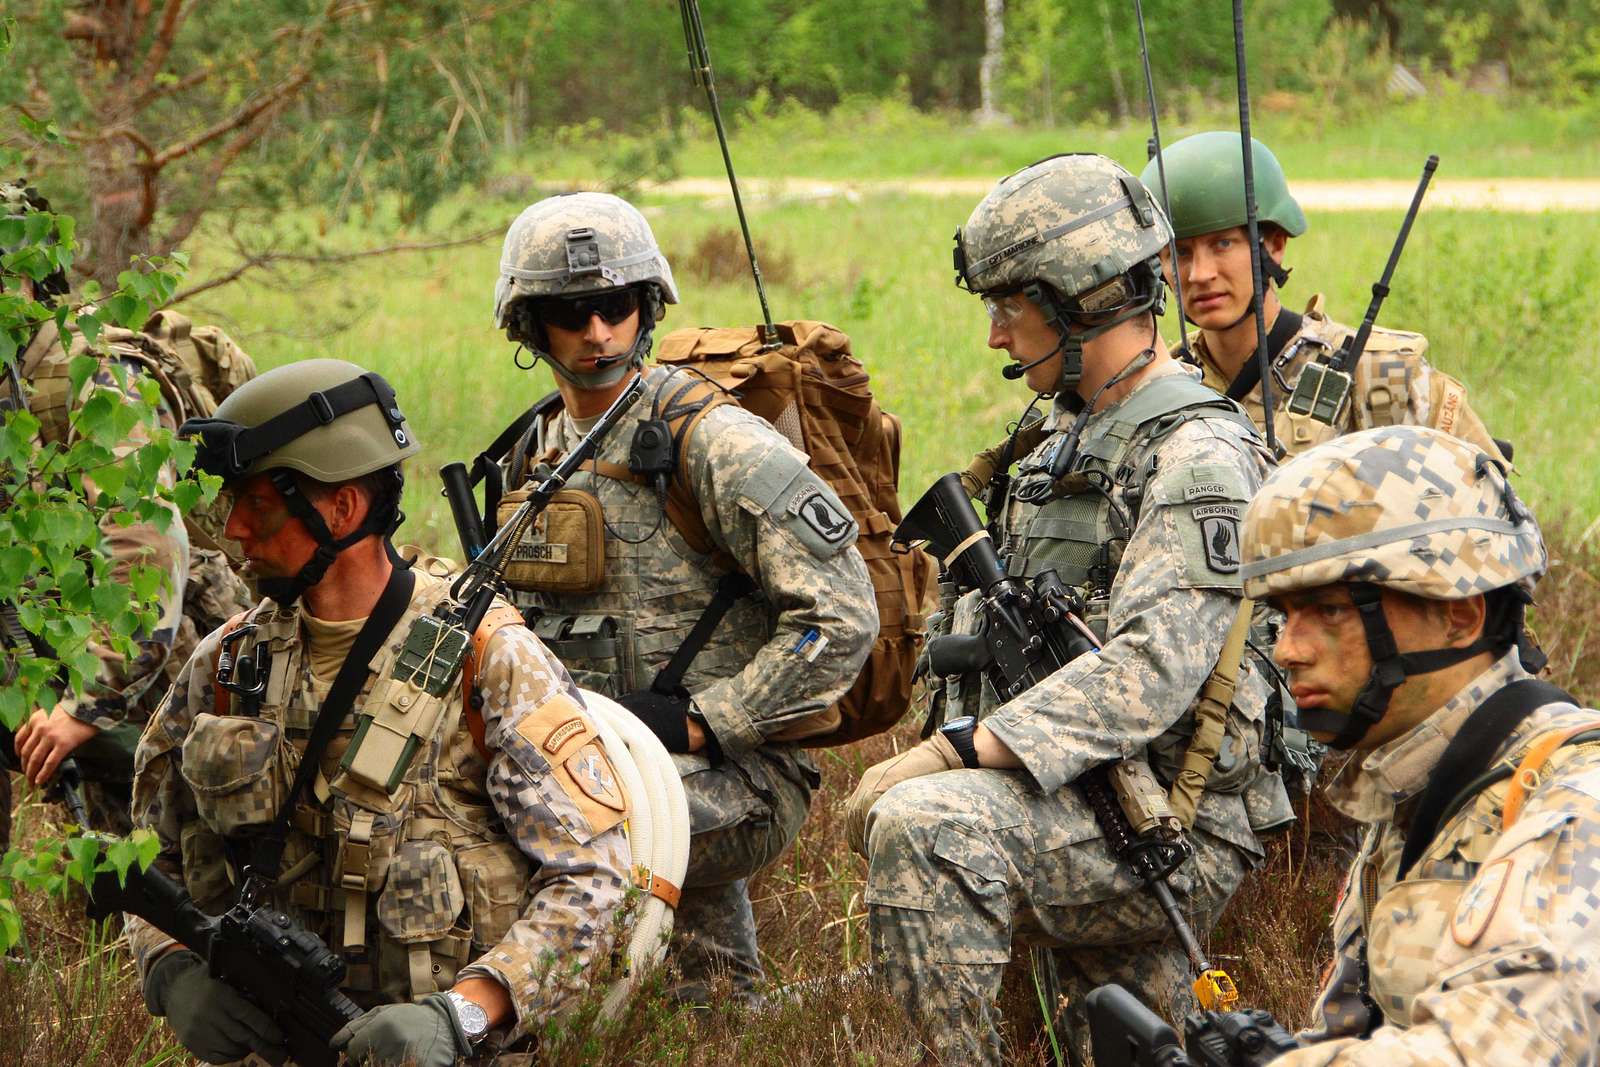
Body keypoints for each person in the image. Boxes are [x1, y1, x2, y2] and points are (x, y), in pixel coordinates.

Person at [845, 153, 1291, 1065]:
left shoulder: (1197, 453)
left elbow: (1147, 673)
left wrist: (950, 753)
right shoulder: (1060, 430)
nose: (997, 337)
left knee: (927, 830)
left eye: (1010, 310)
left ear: (1080, 303)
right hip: (1078, 791)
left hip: (1167, 817)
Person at [130, 359, 632, 1066]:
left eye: (258, 503)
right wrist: (171, 969)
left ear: (341, 508)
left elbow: (595, 879)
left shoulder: (486, 659)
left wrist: (464, 1013)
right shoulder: (226, 665)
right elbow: (143, 851)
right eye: (230, 501)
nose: (233, 528)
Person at [487, 191, 877, 1005]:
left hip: (741, 774)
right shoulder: (534, 450)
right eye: (571, 312)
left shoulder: (715, 441)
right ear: (531, 326)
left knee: (527, 843)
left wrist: (708, 719)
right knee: (713, 1012)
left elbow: (842, 616)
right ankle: (723, 1009)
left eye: (616, 306)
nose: (598, 332)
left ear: (647, 307)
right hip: (605, 762)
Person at [1233, 424, 1598, 1066]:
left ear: (1459, 615)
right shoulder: (1423, 791)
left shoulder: (1575, 806)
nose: (1288, 649)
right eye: (1282, 617)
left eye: (1329, 611)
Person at [1, 178, 254, 841]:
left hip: (163, 666)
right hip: (63, 655)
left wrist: (87, 703)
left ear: (31, 281)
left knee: (186, 861)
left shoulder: (90, 376)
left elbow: (145, 547)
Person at [1138, 132, 1507, 462]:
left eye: (1223, 244)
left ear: (1275, 245)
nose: (1199, 273)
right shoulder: (1160, 392)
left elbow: (1497, 517)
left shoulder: (1381, 378)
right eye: (1179, 252)